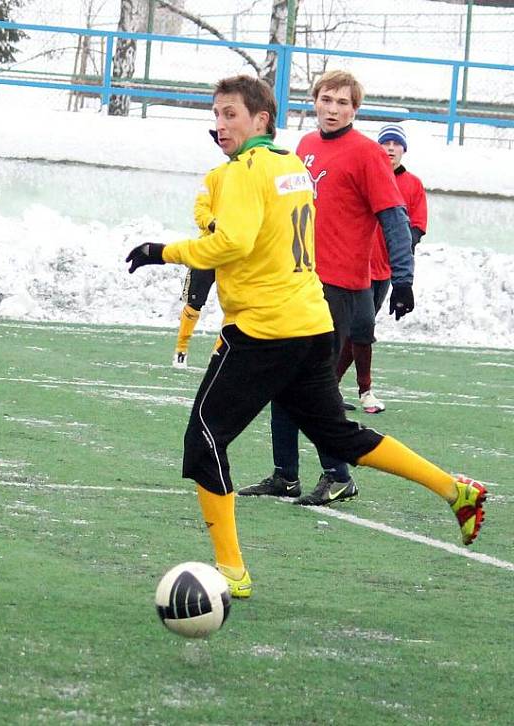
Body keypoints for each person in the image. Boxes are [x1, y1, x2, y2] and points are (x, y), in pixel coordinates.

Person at [125, 74, 486, 599]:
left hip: (267, 330)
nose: (220, 123)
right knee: (338, 436)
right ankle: (455, 490)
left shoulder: (248, 170)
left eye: (230, 114)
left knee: (204, 436)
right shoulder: (291, 163)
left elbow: (231, 241)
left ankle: (232, 571)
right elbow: (263, 229)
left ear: (260, 119)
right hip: (311, 322)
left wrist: (164, 251)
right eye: (216, 114)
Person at [239, 69, 416, 505]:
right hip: (299, 284)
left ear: (355, 109)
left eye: (343, 103)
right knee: (282, 380)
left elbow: (394, 218)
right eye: (326, 99)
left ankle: (339, 474)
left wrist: (403, 278)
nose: (333, 109)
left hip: (340, 289)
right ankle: (286, 475)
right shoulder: (304, 147)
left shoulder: (368, 154)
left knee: (313, 387)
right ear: (314, 100)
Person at [335, 123, 428, 413]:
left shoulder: (412, 184)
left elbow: (417, 226)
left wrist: (400, 245)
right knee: (355, 329)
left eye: (395, 144)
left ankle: (331, 387)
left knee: (357, 331)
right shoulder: (366, 174)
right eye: (385, 143)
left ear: (403, 149)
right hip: (354, 267)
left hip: (383, 272)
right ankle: (361, 391)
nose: (389, 148)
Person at [172, 132, 221, 369]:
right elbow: (200, 210)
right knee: (194, 300)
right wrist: (214, 225)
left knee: (237, 306)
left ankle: (219, 352)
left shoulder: (252, 177)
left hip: (236, 253)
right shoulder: (214, 176)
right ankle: (181, 349)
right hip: (208, 249)